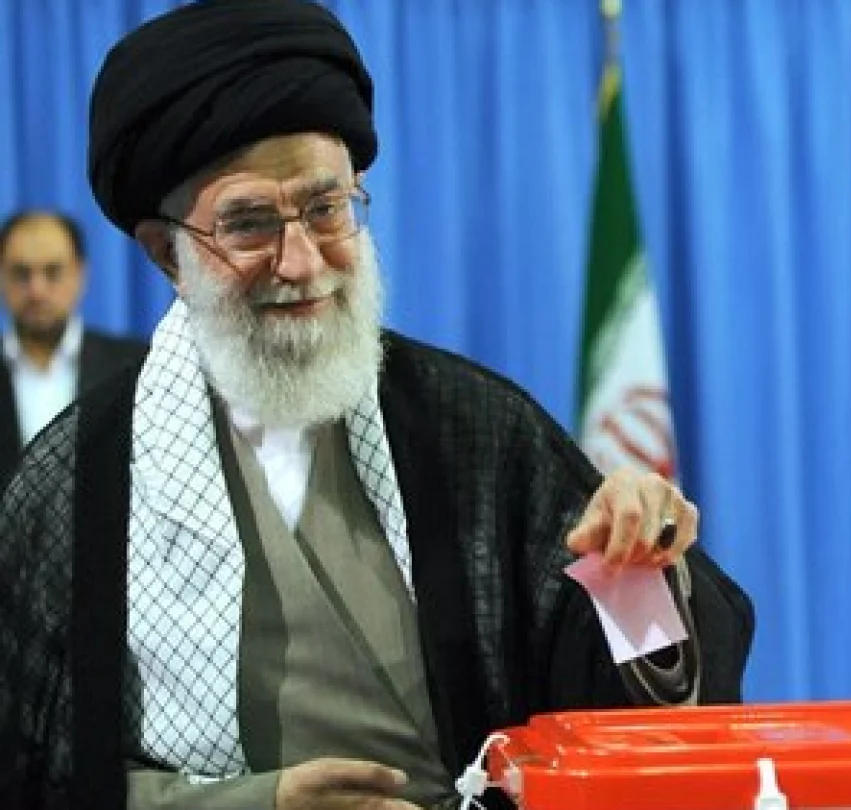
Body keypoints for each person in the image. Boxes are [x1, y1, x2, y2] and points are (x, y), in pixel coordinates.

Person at [0, 1, 755, 808]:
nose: (301, 260)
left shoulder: (472, 427)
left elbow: (621, 704)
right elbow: (29, 770)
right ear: (168, 255)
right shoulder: (81, 478)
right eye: (250, 223)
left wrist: (636, 565)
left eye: (326, 209)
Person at [0, 209, 147, 482]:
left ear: (80, 274)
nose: (37, 290)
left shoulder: (135, 368)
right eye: (21, 273)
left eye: (53, 272)